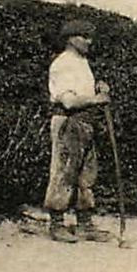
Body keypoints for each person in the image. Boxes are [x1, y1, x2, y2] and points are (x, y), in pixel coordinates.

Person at [46, 17, 112, 242]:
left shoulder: (81, 63)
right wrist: (97, 100)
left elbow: (83, 93)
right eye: (85, 37)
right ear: (71, 39)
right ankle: (56, 223)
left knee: (87, 175)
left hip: (85, 123)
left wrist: (98, 87)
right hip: (68, 121)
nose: (89, 41)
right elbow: (69, 102)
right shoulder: (63, 64)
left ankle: (85, 223)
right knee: (65, 172)